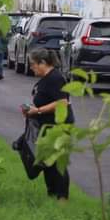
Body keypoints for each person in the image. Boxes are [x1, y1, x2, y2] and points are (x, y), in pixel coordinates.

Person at [23, 48, 73, 200]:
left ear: (43, 63)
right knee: (47, 162)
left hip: (58, 126)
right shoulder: (45, 79)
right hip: (45, 126)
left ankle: (62, 197)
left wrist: (37, 111)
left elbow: (62, 102)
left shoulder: (56, 78)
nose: (31, 68)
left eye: (33, 64)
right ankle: (52, 194)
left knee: (57, 163)